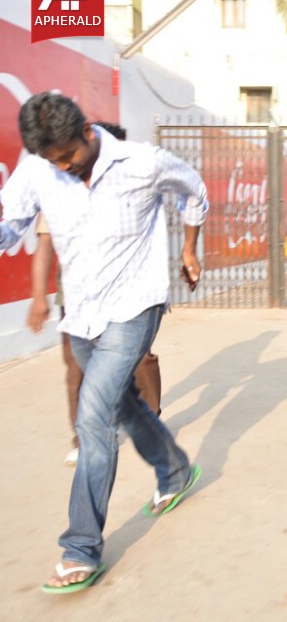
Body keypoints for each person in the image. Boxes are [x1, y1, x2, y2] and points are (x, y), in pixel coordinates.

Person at [0, 92, 207, 593]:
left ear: (87, 131)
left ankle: (80, 549)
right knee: (122, 407)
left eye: (67, 155)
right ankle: (175, 469)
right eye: (52, 160)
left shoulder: (143, 162)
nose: (63, 167)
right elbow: (12, 224)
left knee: (93, 416)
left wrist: (189, 247)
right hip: (84, 314)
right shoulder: (38, 169)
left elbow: (195, 191)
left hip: (135, 306)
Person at [26, 121, 163, 466]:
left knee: (141, 360)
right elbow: (45, 243)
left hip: (130, 295)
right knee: (77, 369)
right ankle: (82, 437)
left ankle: (151, 420)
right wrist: (40, 296)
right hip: (77, 298)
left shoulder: (136, 184)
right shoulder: (60, 188)